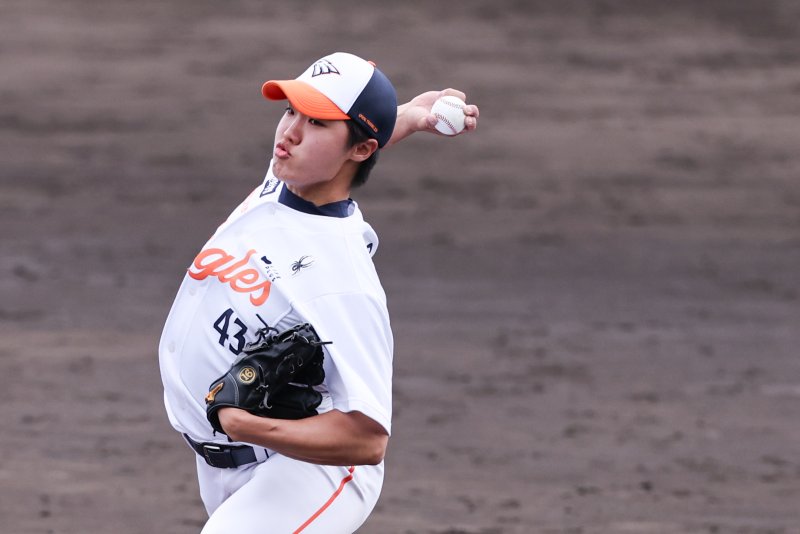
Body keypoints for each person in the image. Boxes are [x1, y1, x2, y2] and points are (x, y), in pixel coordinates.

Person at [158, 51, 479, 533]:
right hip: (228, 466)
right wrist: (410, 116)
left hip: (309, 474)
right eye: (291, 111)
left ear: (361, 150)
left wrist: (246, 425)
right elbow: (343, 146)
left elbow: (368, 439)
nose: (289, 133)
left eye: (315, 121)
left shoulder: (343, 281)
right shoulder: (278, 186)